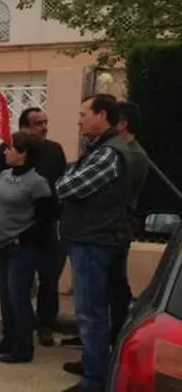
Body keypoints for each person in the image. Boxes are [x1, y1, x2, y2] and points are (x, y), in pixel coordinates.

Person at [56, 94, 133, 392]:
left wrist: (66, 177)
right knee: (93, 313)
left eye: (83, 114)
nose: (79, 120)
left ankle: (93, 381)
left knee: (91, 314)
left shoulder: (109, 153)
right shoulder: (100, 148)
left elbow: (66, 186)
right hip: (92, 237)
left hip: (93, 240)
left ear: (102, 115)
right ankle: (93, 370)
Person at [0, 107, 67, 346]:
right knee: (14, 289)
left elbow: (62, 185)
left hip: (43, 226)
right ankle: (14, 332)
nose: (44, 127)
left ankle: (45, 325)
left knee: (48, 279)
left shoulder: (54, 150)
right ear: (24, 128)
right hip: (12, 230)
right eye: (38, 123)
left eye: (45, 122)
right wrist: (16, 181)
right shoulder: (7, 150)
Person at [109, 101, 148, 345]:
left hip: (115, 229)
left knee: (114, 285)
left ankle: (115, 338)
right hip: (113, 227)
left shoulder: (131, 155)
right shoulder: (122, 151)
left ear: (122, 123)